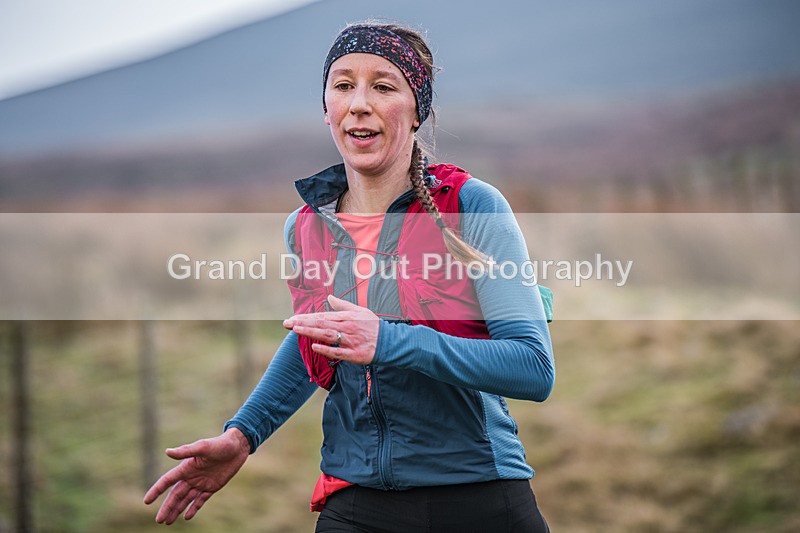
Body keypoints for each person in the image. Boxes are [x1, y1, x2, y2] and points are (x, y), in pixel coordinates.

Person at [144, 21, 554, 532]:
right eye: (343, 86)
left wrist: (389, 340)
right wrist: (243, 434)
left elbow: (533, 368)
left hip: (476, 500)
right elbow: (315, 341)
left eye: (383, 86)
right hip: (355, 504)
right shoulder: (307, 225)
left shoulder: (470, 207)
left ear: (415, 109)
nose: (359, 103)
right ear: (326, 110)